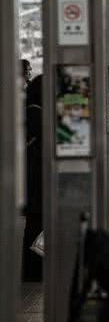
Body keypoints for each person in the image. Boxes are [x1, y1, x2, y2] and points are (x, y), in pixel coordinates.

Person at [22, 75, 43, 282]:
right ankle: (34, 270)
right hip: (37, 183)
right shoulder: (36, 115)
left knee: (34, 226)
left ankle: (32, 269)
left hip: (32, 181)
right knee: (37, 226)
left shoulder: (29, 112)